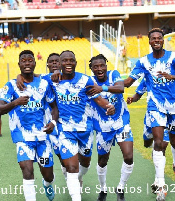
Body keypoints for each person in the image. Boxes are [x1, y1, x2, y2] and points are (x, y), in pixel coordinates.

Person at [124, 28, 175, 201]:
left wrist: (171, 76)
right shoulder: (144, 62)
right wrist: (109, 85)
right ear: (149, 41)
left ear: (162, 40)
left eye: (159, 38)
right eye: (153, 38)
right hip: (155, 106)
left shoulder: (174, 57)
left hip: (174, 106)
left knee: (174, 141)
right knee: (159, 143)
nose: (156, 40)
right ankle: (161, 185)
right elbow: (129, 81)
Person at [50, 50, 115, 201]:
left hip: (85, 130)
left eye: (71, 60)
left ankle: (78, 178)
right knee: (72, 168)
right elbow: (33, 79)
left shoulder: (85, 80)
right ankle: (76, 196)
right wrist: (20, 77)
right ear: (59, 64)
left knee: (84, 165)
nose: (68, 63)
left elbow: (98, 99)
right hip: (65, 130)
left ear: (75, 63)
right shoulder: (53, 79)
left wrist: (109, 106)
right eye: (64, 61)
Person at [0, 50, 58, 201]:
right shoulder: (11, 85)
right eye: (23, 61)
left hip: (43, 136)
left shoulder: (44, 83)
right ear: (19, 64)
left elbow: (54, 107)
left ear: (34, 63)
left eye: (30, 60)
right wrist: (15, 102)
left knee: (48, 175)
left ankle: (47, 184)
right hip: (22, 136)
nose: (26, 63)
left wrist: (53, 122)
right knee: (27, 171)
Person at [86, 54, 134, 201]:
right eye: (96, 67)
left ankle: (120, 188)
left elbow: (120, 88)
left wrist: (103, 87)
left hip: (121, 123)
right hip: (103, 127)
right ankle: (103, 189)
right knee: (102, 161)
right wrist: (109, 106)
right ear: (91, 69)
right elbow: (100, 101)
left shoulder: (114, 74)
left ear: (106, 65)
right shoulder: (89, 82)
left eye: (102, 65)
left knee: (129, 156)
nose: (100, 69)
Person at [126, 78, 170, 193]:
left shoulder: (170, 77)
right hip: (151, 115)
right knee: (148, 143)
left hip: (167, 114)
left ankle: (159, 182)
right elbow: (138, 94)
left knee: (161, 145)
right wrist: (132, 99)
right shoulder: (148, 77)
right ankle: (155, 150)